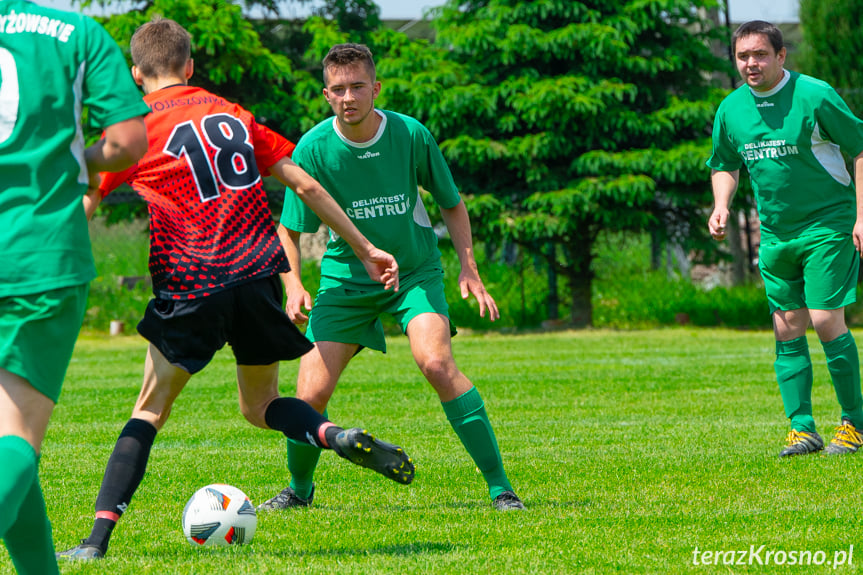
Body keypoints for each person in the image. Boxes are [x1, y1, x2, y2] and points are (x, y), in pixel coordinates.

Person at [57, 19, 415, 561]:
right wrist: (366, 249)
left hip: (193, 281)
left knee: (149, 411)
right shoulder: (233, 113)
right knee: (261, 404)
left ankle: (95, 541)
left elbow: (87, 202)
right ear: (191, 66)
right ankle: (334, 435)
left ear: (136, 74)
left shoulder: (133, 128)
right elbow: (305, 184)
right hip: (258, 276)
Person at [259, 43, 523, 512]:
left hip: (414, 272)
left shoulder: (410, 134)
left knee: (436, 363)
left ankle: (500, 487)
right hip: (345, 280)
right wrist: (294, 285)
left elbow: (451, 202)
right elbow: (290, 228)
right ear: (326, 94)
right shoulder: (313, 148)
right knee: (310, 392)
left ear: (375, 88)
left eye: (358, 86)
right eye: (338, 89)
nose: (349, 97)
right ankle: (299, 492)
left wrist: (469, 268)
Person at [0, 1, 150, 573]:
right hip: (38, 250)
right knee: (17, 439)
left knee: (8, 432)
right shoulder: (76, 32)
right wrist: (72, 162)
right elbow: (129, 141)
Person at [707, 20, 863, 457]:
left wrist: (861, 217)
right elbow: (724, 163)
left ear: (781, 56)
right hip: (776, 233)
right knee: (786, 326)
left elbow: (860, 148)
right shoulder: (731, 109)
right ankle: (802, 429)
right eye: (742, 56)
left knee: (826, 319)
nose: (750, 64)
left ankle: (854, 424)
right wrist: (721, 205)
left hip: (827, 225)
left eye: (759, 54)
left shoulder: (815, 95)